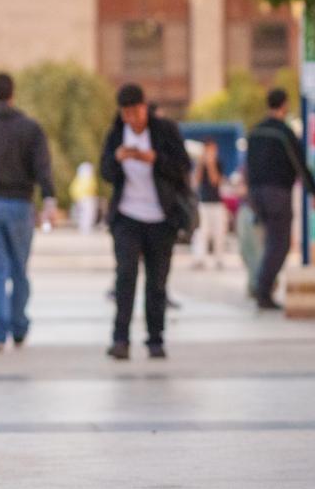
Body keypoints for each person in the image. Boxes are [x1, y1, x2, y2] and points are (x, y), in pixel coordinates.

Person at [98, 83, 190, 361]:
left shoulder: (165, 131)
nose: (132, 119)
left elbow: (183, 167)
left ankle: (155, 339)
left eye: (136, 112)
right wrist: (117, 158)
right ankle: (120, 339)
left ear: (144, 107)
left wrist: (155, 159)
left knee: (157, 283)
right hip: (126, 217)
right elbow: (105, 171)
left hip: (162, 219)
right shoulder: (116, 133)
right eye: (126, 114)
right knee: (125, 277)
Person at [0, 72, 56, 351]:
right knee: (19, 268)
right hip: (21, 206)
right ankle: (19, 325)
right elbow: (43, 168)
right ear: (13, 94)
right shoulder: (30, 128)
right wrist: (50, 199)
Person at [245, 88, 315, 310]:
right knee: (280, 243)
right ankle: (263, 288)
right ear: (284, 105)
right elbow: (298, 163)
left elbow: (249, 166)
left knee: (270, 241)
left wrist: (251, 193)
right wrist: (313, 191)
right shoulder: (283, 133)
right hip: (277, 193)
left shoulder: (255, 132)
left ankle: (262, 285)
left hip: (257, 194)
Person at [191, 139, 229, 269]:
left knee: (219, 233)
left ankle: (219, 258)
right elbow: (196, 181)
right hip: (203, 202)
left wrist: (211, 164)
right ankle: (199, 258)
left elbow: (215, 181)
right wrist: (202, 164)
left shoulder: (218, 163)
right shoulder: (199, 163)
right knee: (201, 232)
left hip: (217, 203)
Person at [70, 161, 101, 234]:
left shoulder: (79, 179)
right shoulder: (86, 178)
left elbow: (73, 189)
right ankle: (85, 228)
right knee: (87, 213)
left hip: (82, 198)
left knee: (84, 214)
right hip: (86, 198)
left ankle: (85, 228)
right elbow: (91, 188)